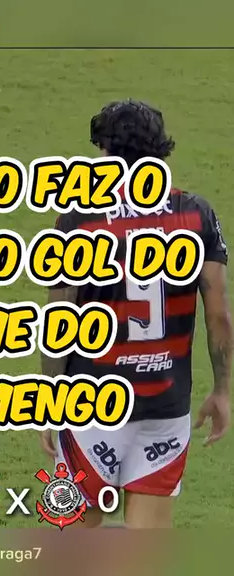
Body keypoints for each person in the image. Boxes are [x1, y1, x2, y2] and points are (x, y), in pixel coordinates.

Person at [40, 99, 232, 528]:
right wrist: (222, 389)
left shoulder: (80, 218)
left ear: (106, 151)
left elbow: (60, 319)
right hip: (165, 409)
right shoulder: (195, 214)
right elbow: (219, 315)